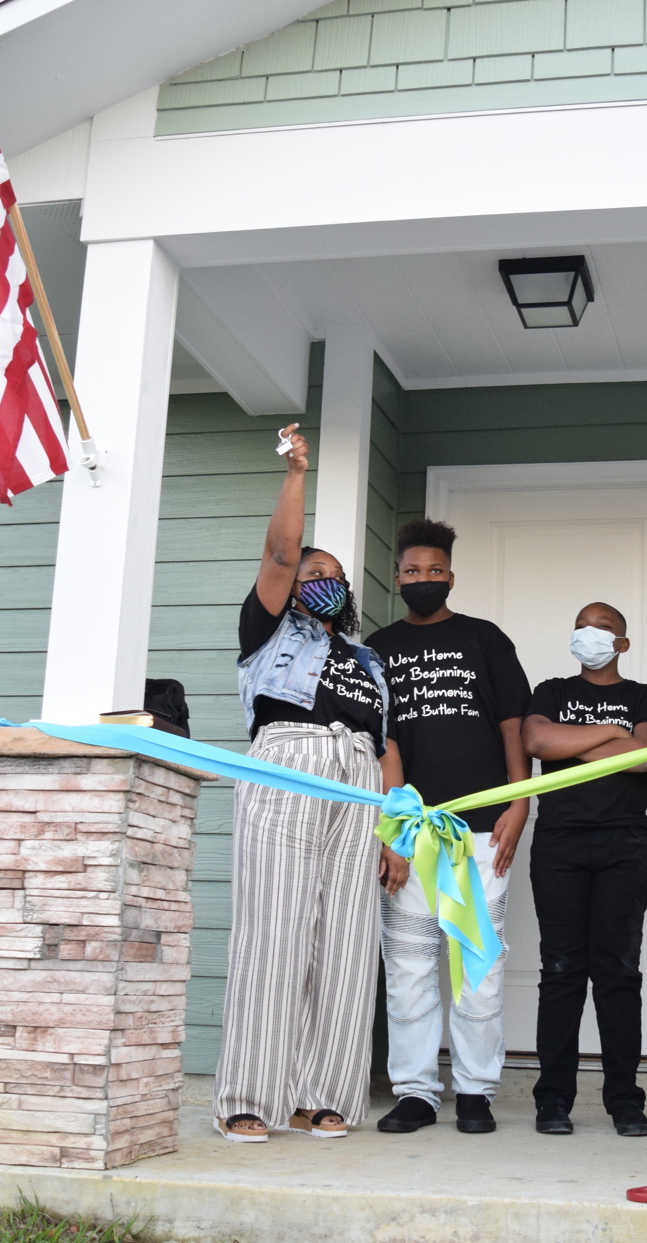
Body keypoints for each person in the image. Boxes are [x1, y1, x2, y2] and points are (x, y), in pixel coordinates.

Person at [213, 424, 402, 1145]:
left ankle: (322, 1094)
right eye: (309, 572)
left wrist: (389, 825)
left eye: (333, 574)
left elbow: (384, 747)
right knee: (274, 934)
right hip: (287, 767)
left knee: (348, 943)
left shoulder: (369, 660)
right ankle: (249, 1096)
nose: (318, 578)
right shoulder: (267, 636)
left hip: (357, 787)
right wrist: (297, 473)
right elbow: (279, 552)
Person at [365, 519, 532, 1134]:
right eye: (412, 572)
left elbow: (513, 723)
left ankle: (475, 1092)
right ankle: (414, 1092)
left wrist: (521, 802)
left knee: (477, 967)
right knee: (408, 966)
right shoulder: (376, 650)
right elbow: (382, 743)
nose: (423, 580)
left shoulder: (485, 639)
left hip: (485, 830)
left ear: (450, 576)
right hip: (413, 830)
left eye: (434, 571)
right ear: (398, 578)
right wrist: (392, 833)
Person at [522, 603, 647, 1138]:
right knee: (560, 971)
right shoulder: (550, 691)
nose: (590, 633)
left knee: (618, 972)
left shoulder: (644, 696)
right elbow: (538, 741)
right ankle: (553, 1099)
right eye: (582, 624)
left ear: (622, 644)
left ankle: (625, 1101)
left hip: (625, 843)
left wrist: (576, 744)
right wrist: (611, 734)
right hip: (559, 843)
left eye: (603, 627)